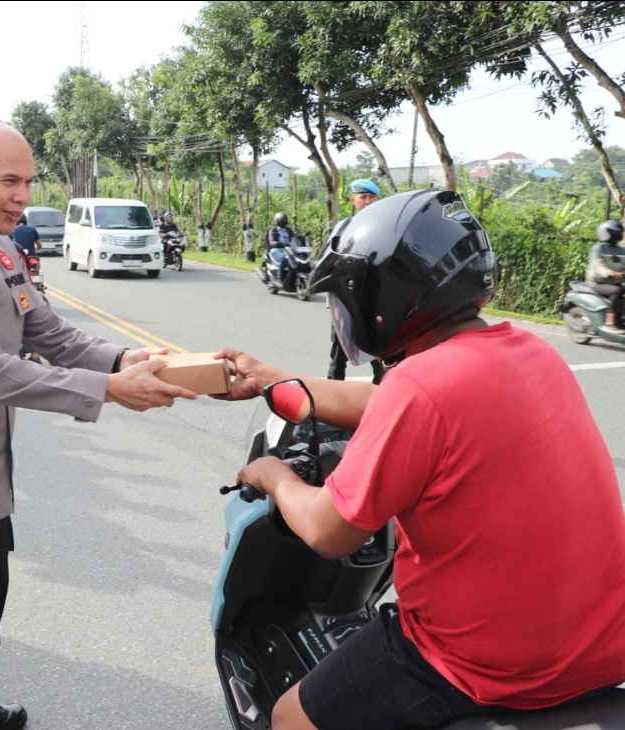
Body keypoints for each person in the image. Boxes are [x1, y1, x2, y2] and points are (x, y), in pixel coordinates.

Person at [215, 188, 625, 730]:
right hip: (601, 645)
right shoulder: (532, 353)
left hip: (484, 664)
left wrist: (274, 476)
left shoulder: (420, 386)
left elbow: (329, 532)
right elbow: (392, 403)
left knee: (290, 717)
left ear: (384, 297)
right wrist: (272, 381)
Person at [0, 121, 197, 730]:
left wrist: (123, 358)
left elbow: (48, 332)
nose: (23, 196)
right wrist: (108, 389)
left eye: (27, 181)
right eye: (9, 181)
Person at [328, 179, 383, 383]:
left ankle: (381, 391)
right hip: (346, 294)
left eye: (372, 197)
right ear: (353, 200)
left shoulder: (384, 226)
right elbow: (331, 258)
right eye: (363, 197)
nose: (368, 201)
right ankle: (333, 392)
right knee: (339, 347)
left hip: (373, 296)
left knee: (378, 348)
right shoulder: (344, 227)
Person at [584, 219, 625, 329]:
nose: (616, 235)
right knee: (616, 291)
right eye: (614, 232)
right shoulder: (598, 249)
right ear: (605, 232)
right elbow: (598, 267)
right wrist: (610, 273)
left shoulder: (621, 250)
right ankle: (609, 322)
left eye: (618, 232)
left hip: (616, 281)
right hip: (597, 283)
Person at [265, 212, 294, 282]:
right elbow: (271, 241)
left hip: (289, 249)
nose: (283, 221)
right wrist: (278, 243)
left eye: (285, 219)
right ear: (277, 220)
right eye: (282, 219)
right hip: (277, 249)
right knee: (285, 257)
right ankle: (279, 277)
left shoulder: (289, 231)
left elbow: (294, 239)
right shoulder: (272, 230)